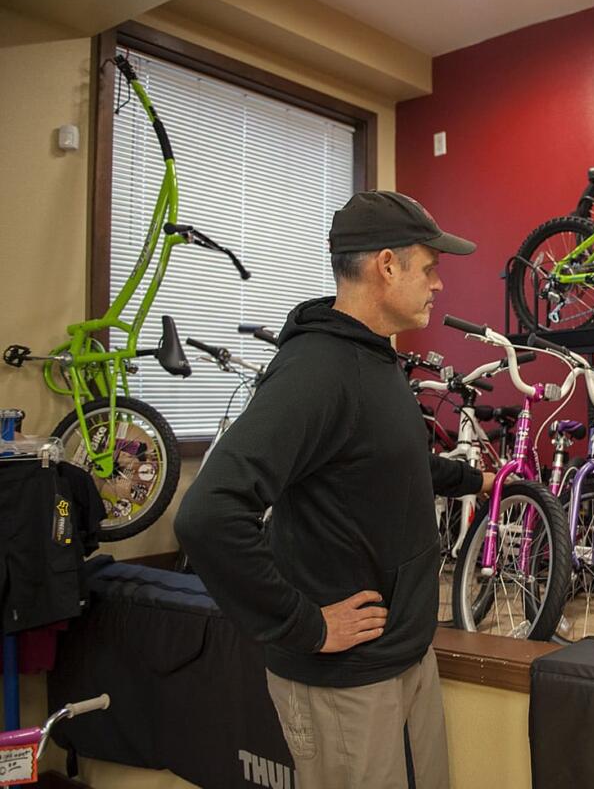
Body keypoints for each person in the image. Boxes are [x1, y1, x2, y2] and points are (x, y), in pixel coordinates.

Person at [175, 190, 492, 789]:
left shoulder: (374, 361)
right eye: (429, 269)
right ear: (387, 265)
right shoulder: (317, 371)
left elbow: (396, 462)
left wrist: (477, 479)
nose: (438, 286)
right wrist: (305, 625)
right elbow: (208, 515)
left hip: (401, 654)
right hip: (346, 679)